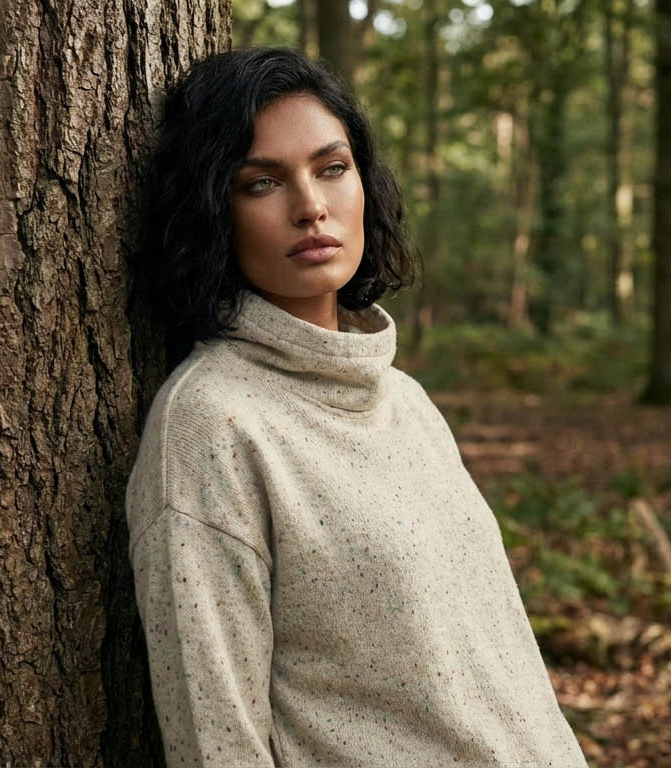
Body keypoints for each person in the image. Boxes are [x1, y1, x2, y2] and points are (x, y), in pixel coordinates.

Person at [126, 47, 588, 767]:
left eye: (331, 168)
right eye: (261, 183)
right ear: (213, 208)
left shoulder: (405, 401)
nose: (310, 205)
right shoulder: (212, 422)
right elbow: (216, 741)